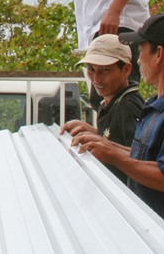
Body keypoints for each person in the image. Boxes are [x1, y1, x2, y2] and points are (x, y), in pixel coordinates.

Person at [72, 13, 164, 239]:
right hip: (150, 235)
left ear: (159, 54)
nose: (137, 61)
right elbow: (144, 158)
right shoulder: (156, 104)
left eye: (141, 51)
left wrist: (113, 155)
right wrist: (102, 143)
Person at [60, 34, 143, 184]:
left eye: (105, 70)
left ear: (126, 69)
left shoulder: (128, 106)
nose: (96, 79)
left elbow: (140, 160)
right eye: (91, 69)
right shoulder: (110, 102)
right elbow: (116, 141)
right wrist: (90, 132)